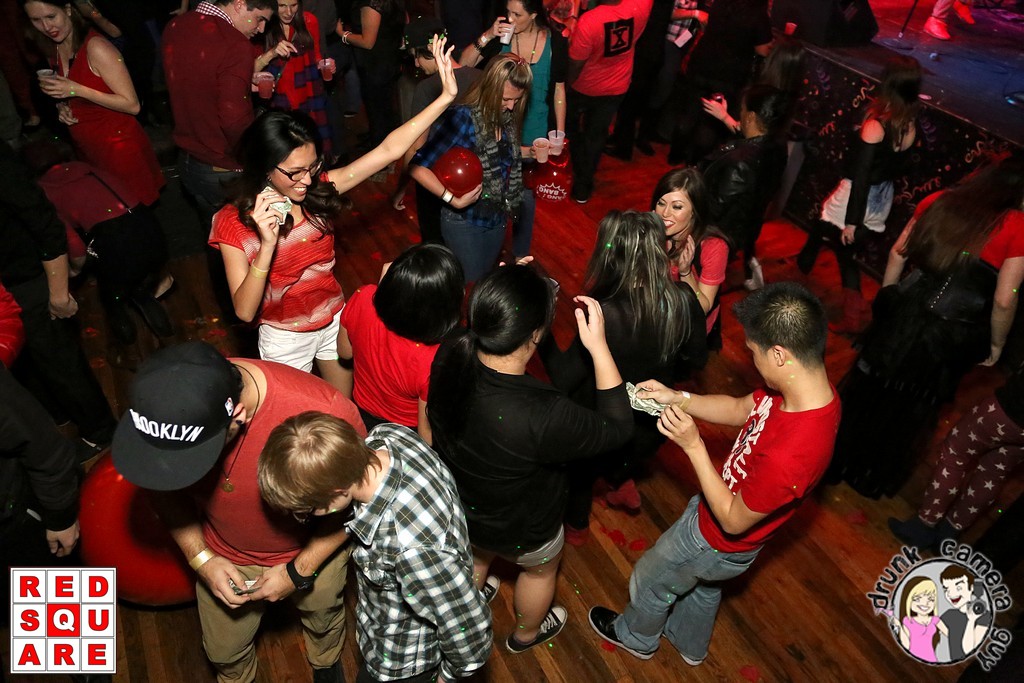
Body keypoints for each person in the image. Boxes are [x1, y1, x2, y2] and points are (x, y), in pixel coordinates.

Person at [589, 282, 840, 666]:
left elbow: (733, 520)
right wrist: (680, 398)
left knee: (653, 578)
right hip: (722, 532)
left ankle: (636, 637)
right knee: (705, 585)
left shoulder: (794, 454)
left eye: (754, 352)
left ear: (780, 355)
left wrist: (693, 445)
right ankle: (689, 644)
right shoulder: (807, 389)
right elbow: (742, 409)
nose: (752, 361)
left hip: (716, 536)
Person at [209, 36, 458, 390]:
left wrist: (445, 98)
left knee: (341, 407)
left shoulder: (319, 189)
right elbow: (245, 311)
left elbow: (387, 150)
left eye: (312, 167)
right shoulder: (232, 223)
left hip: (332, 318)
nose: (306, 180)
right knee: (302, 416)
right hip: (284, 336)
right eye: (294, 172)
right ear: (265, 167)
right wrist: (267, 245)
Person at [111, 341, 366, 683]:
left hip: (313, 550)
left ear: (238, 416)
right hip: (223, 553)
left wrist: (299, 571)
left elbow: (360, 506)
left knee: (324, 618)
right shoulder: (167, 405)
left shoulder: (325, 412)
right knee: (223, 652)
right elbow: (162, 488)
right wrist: (201, 558)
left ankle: (325, 661)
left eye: (191, 459)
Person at [429, 264, 634, 652]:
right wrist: (599, 347)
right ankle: (526, 634)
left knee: (476, 557)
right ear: (536, 334)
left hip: (464, 507)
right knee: (539, 572)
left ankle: (468, 609)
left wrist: (506, 290)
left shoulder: (449, 353)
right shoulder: (545, 413)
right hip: (524, 527)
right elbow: (620, 428)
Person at [827, 153, 1024, 499]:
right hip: (947, 334)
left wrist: (888, 298)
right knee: (910, 407)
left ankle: (834, 461)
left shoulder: (941, 200)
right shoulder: (1018, 227)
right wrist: (996, 346)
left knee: (869, 388)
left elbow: (898, 253)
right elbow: (1005, 300)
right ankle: (868, 475)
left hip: (904, 311)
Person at [257, 412, 493, 683]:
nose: (306, 517)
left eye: (306, 511)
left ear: (337, 494)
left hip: (402, 664)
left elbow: (469, 632)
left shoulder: (412, 549)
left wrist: (445, 678)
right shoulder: (390, 436)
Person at [542, 210, 706, 541]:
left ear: (610, 255)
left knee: (580, 471)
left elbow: (562, 378)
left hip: (601, 424)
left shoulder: (605, 314)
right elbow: (694, 362)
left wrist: (541, 327)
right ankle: (621, 482)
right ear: (663, 250)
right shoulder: (686, 300)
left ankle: (576, 527)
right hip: (651, 427)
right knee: (624, 456)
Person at [0, 140, 116, 455]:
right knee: (26, 362)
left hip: (28, 279)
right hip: (7, 283)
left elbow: (46, 224)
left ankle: (101, 431)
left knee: (58, 361)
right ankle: (59, 414)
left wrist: (58, 292)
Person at [797, 56, 922, 334]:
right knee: (823, 226)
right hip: (882, 195)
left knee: (843, 250)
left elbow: (862, 176)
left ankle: (850, 315)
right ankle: (801, 269)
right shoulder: (910, 123)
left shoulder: (877, 125)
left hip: (859, 196)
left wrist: (852, 222)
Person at [21, 0, 165, 206]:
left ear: (68, 9)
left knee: (133, 212)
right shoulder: (56, 46)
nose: (46, 26)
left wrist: (76, 90)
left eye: (51, 17)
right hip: (88, 147)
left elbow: (132, 105)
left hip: (118, 148)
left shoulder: (97, 48)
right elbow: (73, 90)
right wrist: (63, 106)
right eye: (36, 20)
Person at [410, 53, 533, 281]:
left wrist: (528, 152)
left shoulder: (506, 119)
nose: (511, 106)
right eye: (506, 99)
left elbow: (499, 153)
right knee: (471, 285)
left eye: (516, 100)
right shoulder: (463, 118)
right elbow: (418, 167)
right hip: (464, 222)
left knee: (485, 280)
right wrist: (452, 199)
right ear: (490, 89)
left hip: (497, 217)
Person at [462, 0, 568, 256]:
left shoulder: (555, 42)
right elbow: (464, 64)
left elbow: (559, 90)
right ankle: (489, 248)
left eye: (517, 14)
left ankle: (521, 255)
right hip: (498, 131)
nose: (509, 18)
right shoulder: (502, 37)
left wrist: (559, 135)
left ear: (533, 15)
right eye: (508, 11)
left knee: (526, 198)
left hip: (534, 133)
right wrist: (488, 35)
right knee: (492, 192)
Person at [162, 0, 276, 233]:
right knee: (247, 239)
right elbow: (234, 121)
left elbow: (193, 80)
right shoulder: (235, 44)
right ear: (239, 4)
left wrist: (238, 84)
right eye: (259, 19)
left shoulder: (176, 26)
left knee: (216, 235)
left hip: (188, 162)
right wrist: (255, 160)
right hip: (223, 168)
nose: (261, 29)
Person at [35, 153, 172, 344]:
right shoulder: (90, 170)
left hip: (116, 244)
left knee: (113, 297)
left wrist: (74, 269)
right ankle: (158, 320)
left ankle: (128, 340)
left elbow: (75, 245)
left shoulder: (45, 193)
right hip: (151, 230)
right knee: (141, 283)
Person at [338, 243, 465, 443]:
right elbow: (425, 432)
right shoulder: (434, 358)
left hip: (362, 413)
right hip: (404, 431)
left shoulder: (363, 297)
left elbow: (344, 352)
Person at [888, 369, 1024, 551]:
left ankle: (922, 526)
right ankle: (947, 534)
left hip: (1009, 408)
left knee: (954, 454)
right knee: (994, 472)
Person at [390, 16, 481, 245]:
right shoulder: (480, 77)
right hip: (476, 179)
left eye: (417, 56)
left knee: (436, 246)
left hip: (436, 184)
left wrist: (401, 187)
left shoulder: (426, 89)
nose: (417, 64)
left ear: (431, 50)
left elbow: (415, 149)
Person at [699, 84, 789, 291]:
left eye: (742, 110)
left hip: (719, 235)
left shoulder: (740, 164)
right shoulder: (778, 144)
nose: (739, 114)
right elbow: (752, 135)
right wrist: (724, 117)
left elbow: (715, 209)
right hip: (748, 226)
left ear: (750, 117)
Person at [664, 0, 772, 166]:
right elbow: (762, 50)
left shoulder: (721, 2)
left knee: (689, 111)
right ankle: (695, 164)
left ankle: (675, 155)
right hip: (727, 75)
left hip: (702, 63)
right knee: (711, 122)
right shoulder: (758, 14)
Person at [565, 0, 653, 204]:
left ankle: (577, 170)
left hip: (583, 87)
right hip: (616, 87)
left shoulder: (589, 21)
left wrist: (566, 85)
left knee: (571, 127)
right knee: (596, 135)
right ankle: (583, 186)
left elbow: (576, 63)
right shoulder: (641, 5)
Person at [651, 167, 729, 344]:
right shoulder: (653, 231)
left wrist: (685, 272)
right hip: (656, 319)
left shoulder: (714, 247)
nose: (665, 213)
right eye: (661, 203)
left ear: (694, 211)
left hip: (685, 331)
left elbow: (703, 307)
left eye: (677, 207)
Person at [256, 0, 334, 158]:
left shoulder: (309, 21)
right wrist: (271, 53)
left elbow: (316, 54)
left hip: (307, 93)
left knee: (311, 146)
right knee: (283, 150)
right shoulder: (263, 25)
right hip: (277, 96)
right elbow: (250, 69)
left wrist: (324, 64)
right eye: (282, 6)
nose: (289, 12)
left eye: (293, 5)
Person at [337, 0, 404, 149]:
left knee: (378, 110)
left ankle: (380, 147)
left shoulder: (371, 3)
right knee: (383, 108)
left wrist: (343, 34)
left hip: (376, 65)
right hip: (386, 59)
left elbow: (367, 42)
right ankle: (379, 138)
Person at [891, 576, 947, 663]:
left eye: (931, 599)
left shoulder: (935, 620)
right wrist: (899, 626)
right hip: (913, 659)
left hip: (931, 658)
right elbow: (906, 645)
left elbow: (951, 635)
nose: (925, 603)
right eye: (917, 599)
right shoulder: (908, 621)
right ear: (908, 600)